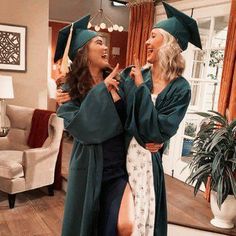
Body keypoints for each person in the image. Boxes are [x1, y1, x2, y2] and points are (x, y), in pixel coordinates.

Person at [118, 2, 202, 236]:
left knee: (142, 218)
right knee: (121, 221)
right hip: (118, 157)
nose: (146, 41)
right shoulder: (135, 74)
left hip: (146, 164)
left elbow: (156, 133)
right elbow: (115, 113)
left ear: (168, 44)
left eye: (153, 36)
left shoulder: (180, 88)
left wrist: (139, 90)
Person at [55, 15, 139, 236]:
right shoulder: (68, 89)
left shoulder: (120, 82)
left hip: (120, 169)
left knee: (123, 226)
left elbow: (136, 116)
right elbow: (83, 129)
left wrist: (155, 139)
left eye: (104, 42)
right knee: (88, 226)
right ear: (84, 52)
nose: (106, 46)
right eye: (99, 42)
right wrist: (102, 90)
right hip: (88, 169)